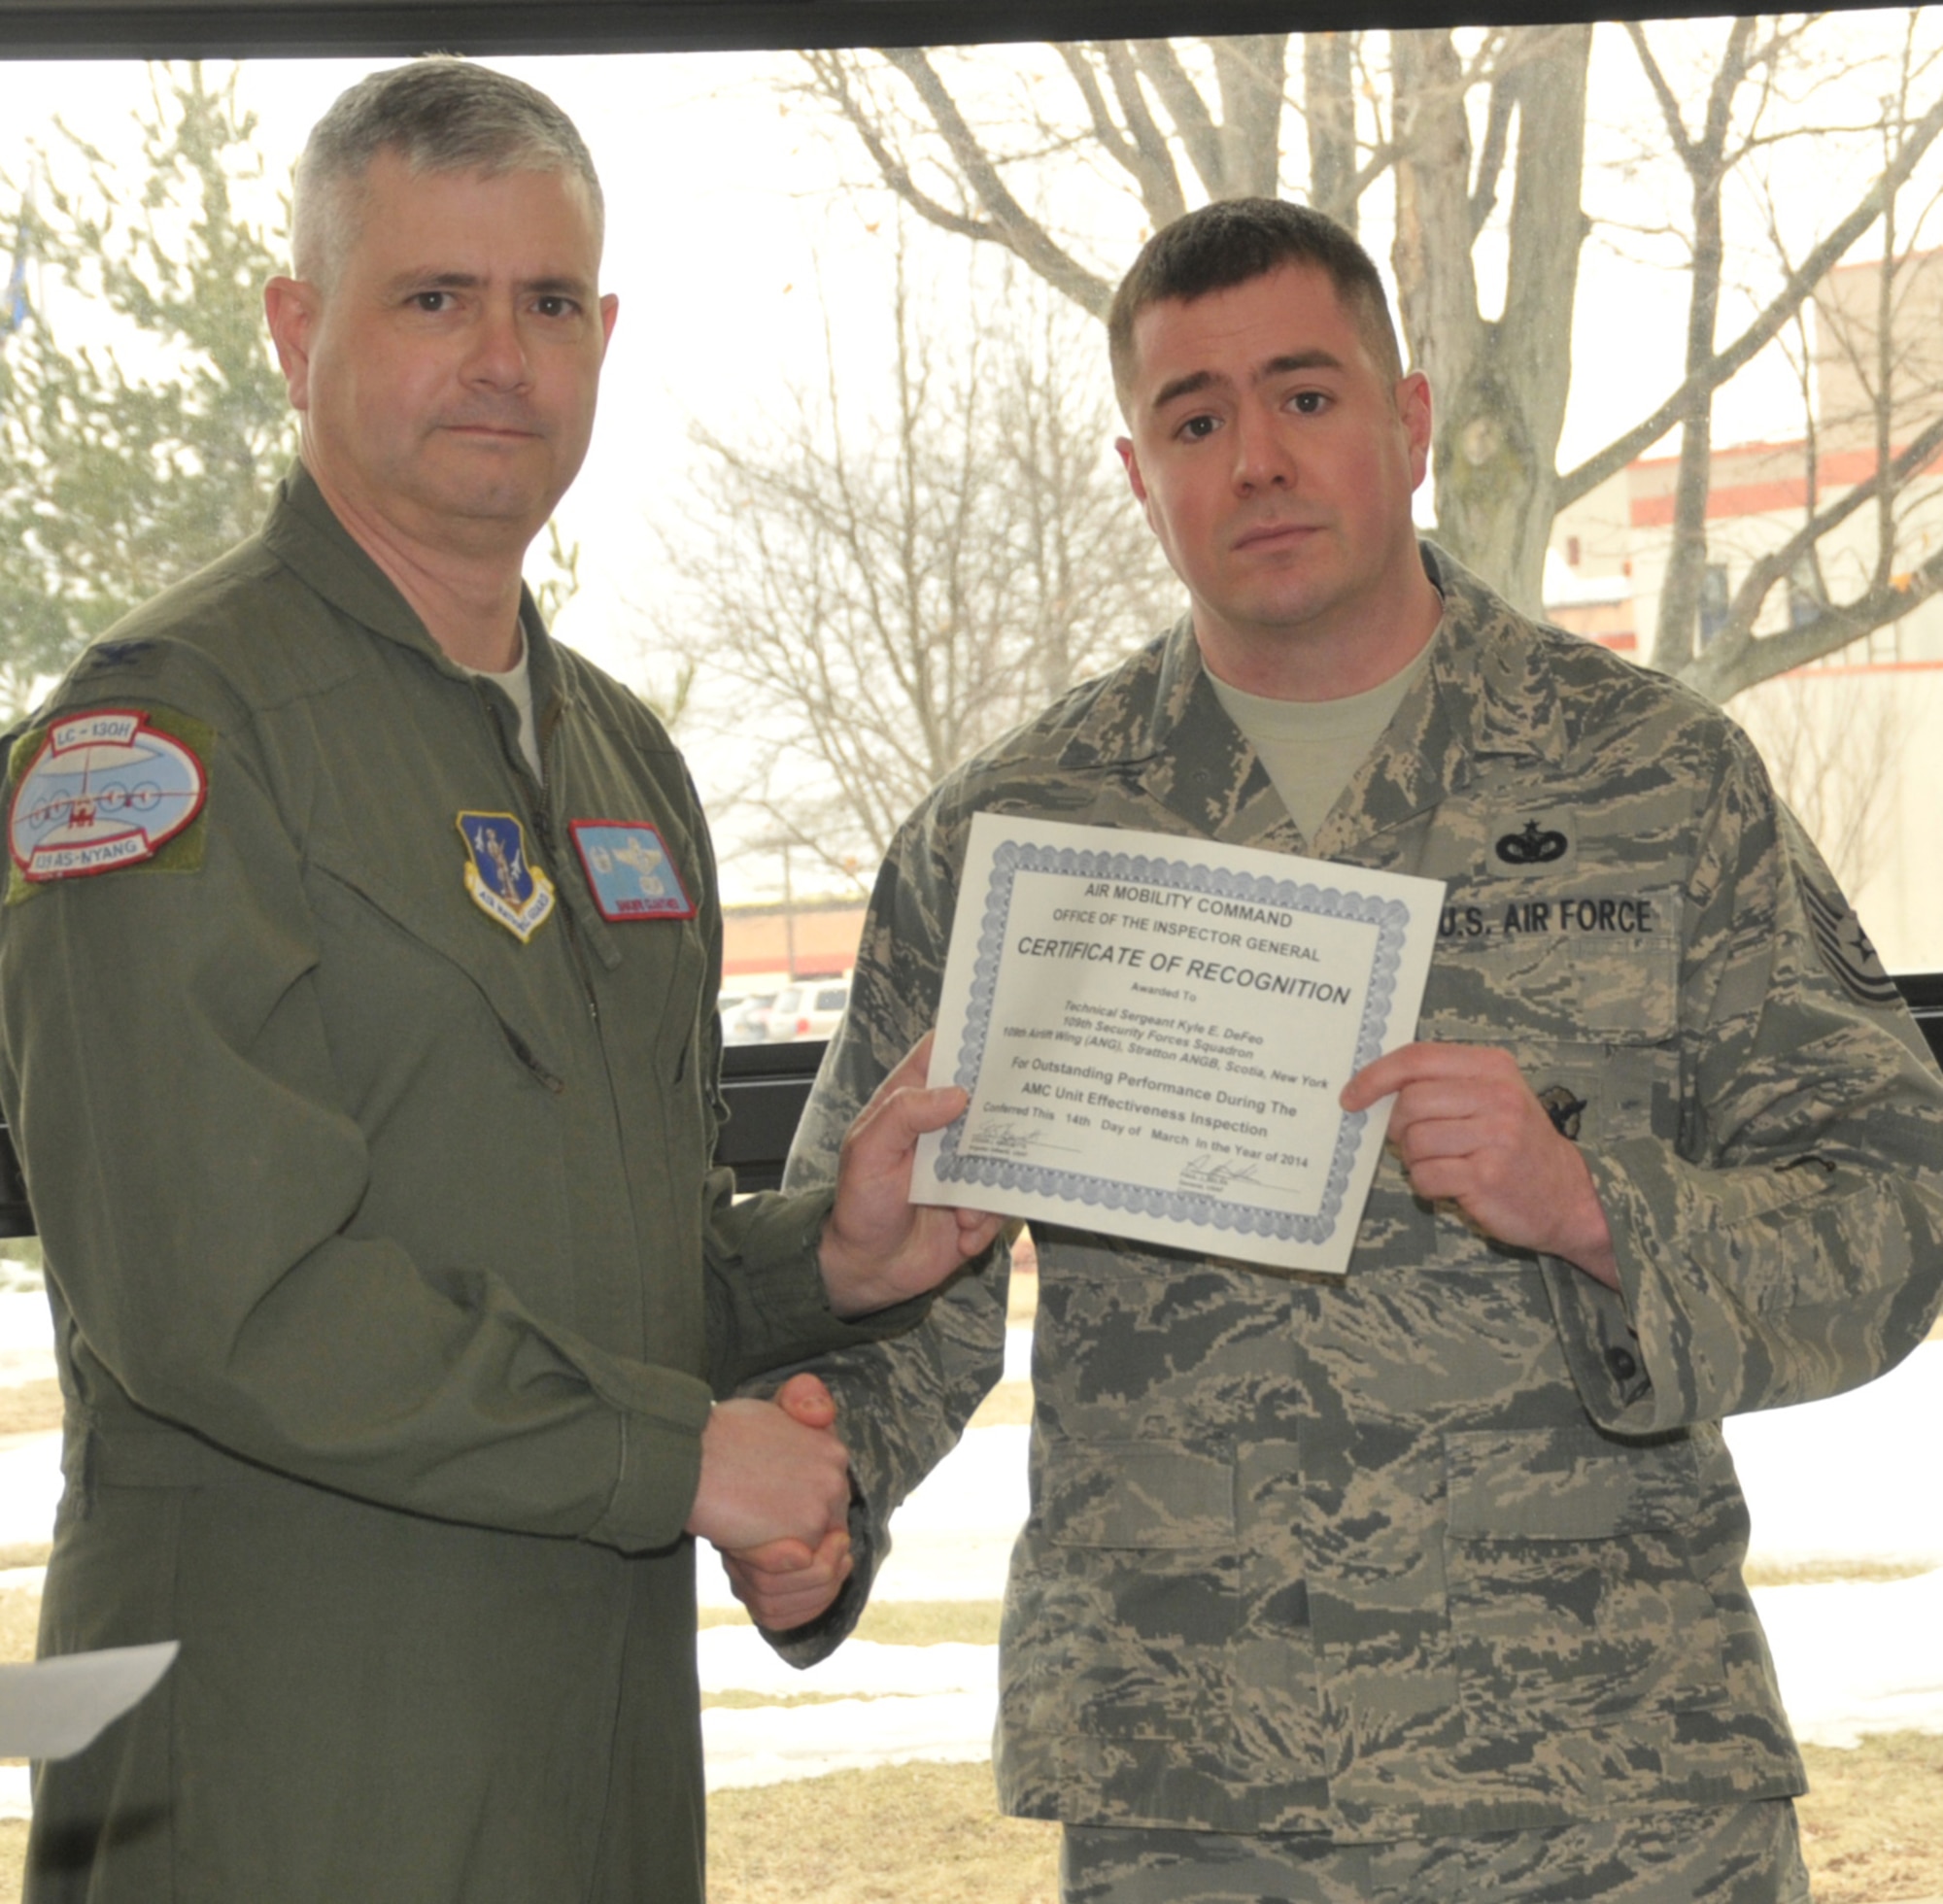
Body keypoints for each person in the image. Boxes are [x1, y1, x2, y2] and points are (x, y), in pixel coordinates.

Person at [731, 199, 1943, 1900]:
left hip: (1607, 1781)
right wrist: (823, 1480)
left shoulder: (1657, 785)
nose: (1257, 463)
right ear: (1141, 471)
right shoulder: (1015, 837)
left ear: (1412, 419)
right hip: (1195, 1798)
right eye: (1197, 420)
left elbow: (1895, 1214)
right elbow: (892, 1259)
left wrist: (1600, 1209)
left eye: (1306, 398)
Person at [0, 58, 998, 1904]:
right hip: (279, 1774)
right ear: (300, 326)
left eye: (548, 304)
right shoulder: (158, 742)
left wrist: (822, 1264)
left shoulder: (623, 765)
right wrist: (687, 1461)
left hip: (586, 1768)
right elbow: (224, 1296)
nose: (502, 358)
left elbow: (585, 1262)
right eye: (433, 297)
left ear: (604, 334)